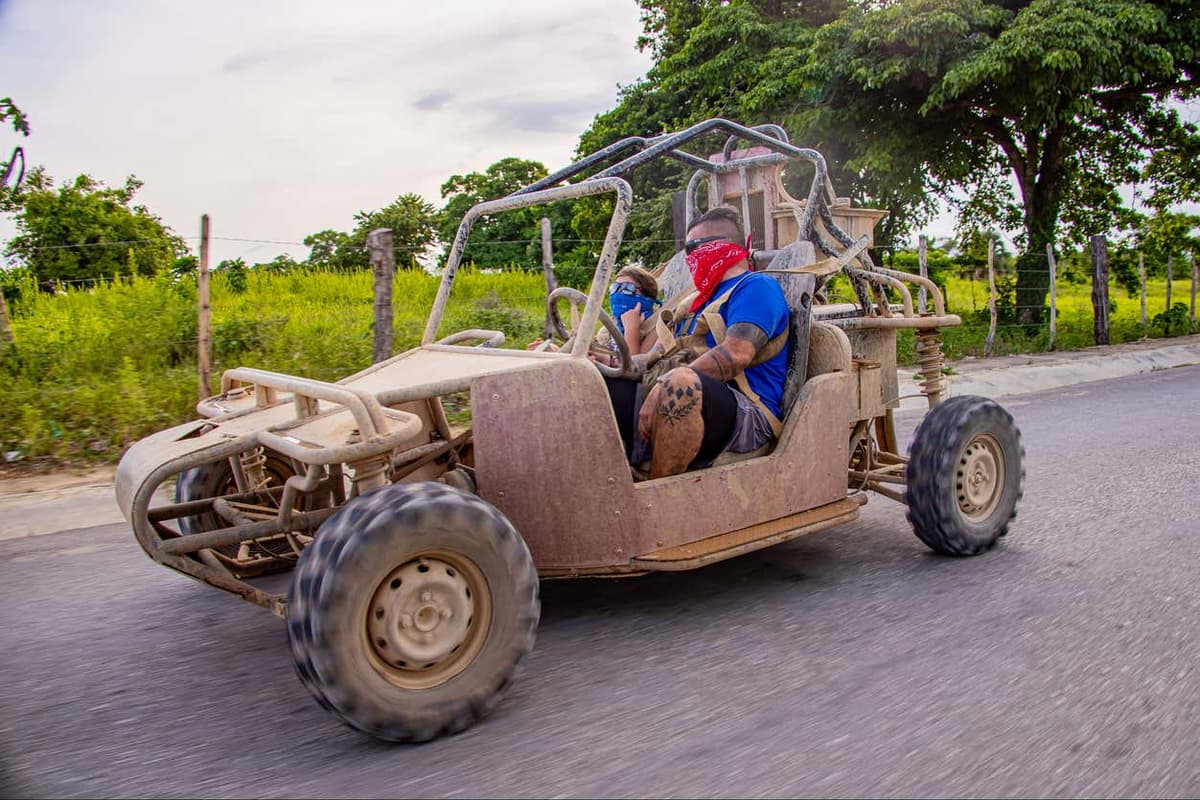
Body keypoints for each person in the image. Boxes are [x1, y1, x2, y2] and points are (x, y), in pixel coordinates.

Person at [604, 207, 790, 479]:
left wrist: (662, 385)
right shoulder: (694, 301)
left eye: (693, 248)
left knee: (681, 384)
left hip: (747, 411)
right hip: (685, 391)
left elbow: (737, 354)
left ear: (723, 247)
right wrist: (609, 364)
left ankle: (660, 499)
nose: (690, 258)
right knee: (589, 380)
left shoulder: (756, 287)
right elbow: (655, 357)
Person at [598, 266, 661, 366]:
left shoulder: (657, 327)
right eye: (615, 288)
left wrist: (631, 330)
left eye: (628, 288)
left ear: (646, 298)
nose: (618, 294)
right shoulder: (608, 331)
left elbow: (633, 368)